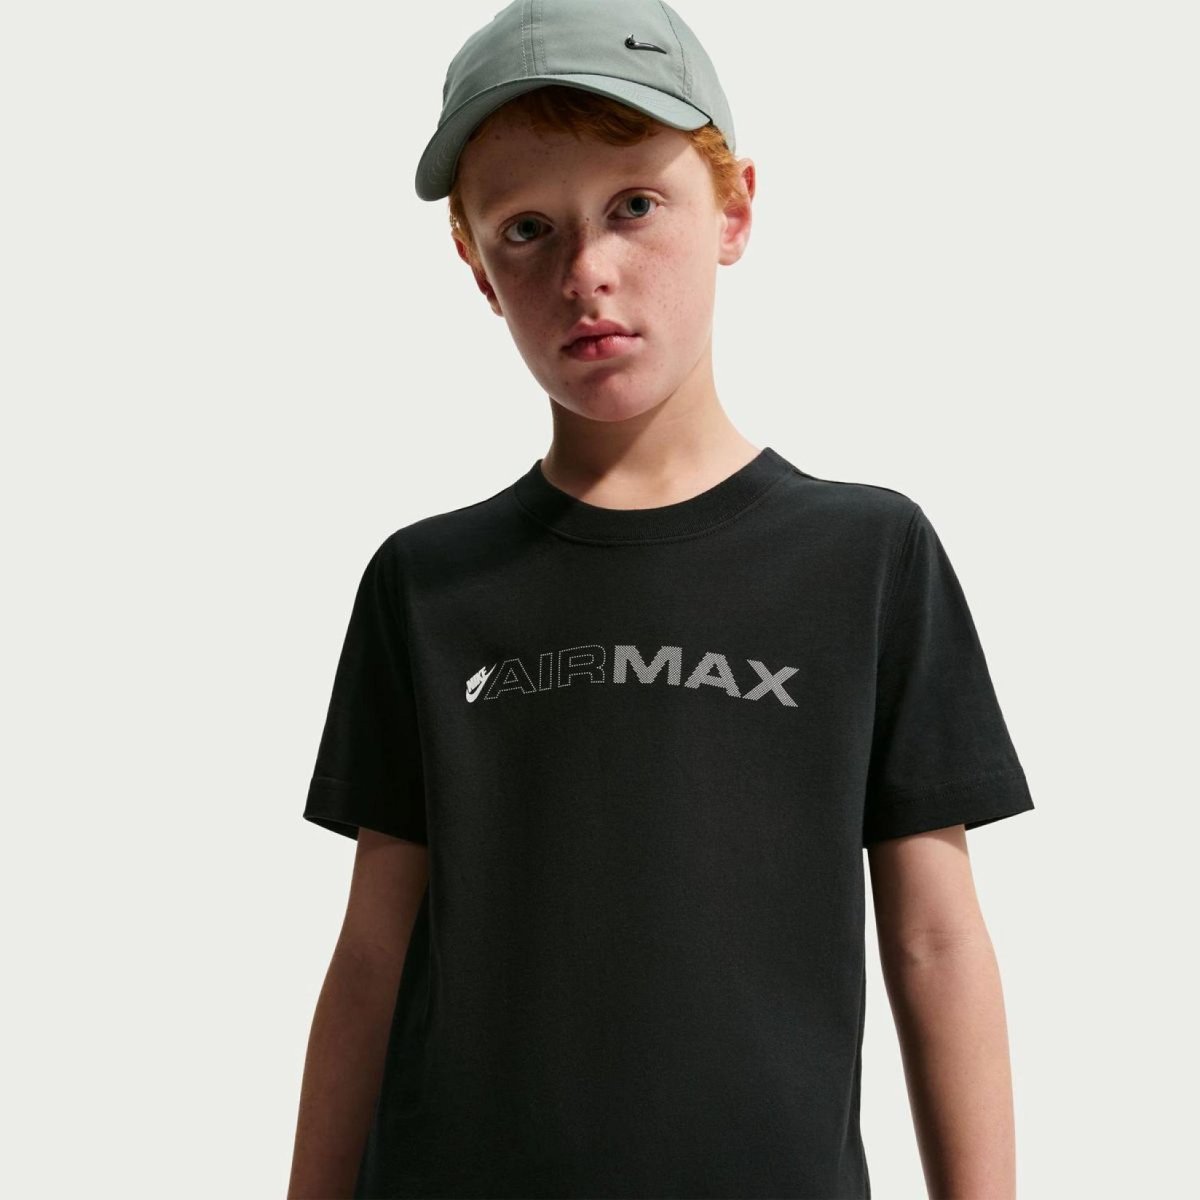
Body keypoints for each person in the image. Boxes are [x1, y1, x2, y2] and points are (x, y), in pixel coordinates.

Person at [287, 2, 1036, 1197]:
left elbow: (936, 941)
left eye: (635, 206)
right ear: (477, 269)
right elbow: (372, 956)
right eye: (527, 229)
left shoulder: (866, 557)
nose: (586, 270)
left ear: (734, 210)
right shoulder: (426, 585)